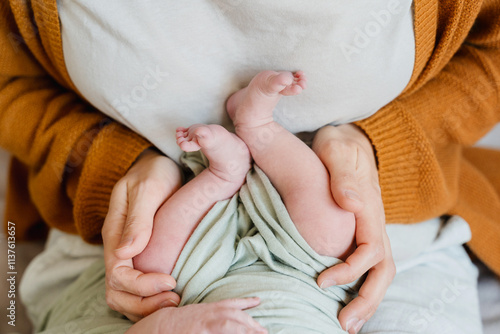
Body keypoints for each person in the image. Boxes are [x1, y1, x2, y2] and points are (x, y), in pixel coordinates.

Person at [1, 1, 499, 333]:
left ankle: (223, 172)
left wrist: (166, 325)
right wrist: (104, 159)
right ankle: (259, 131)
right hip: (326, 270)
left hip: (159, 275)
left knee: (145, 268)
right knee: (331, 227)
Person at [134, 70, 355, 275]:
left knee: (151, 269)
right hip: (302, 270)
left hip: (202, 283)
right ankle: (256, 127)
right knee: (332, 238)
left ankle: (224, 174)